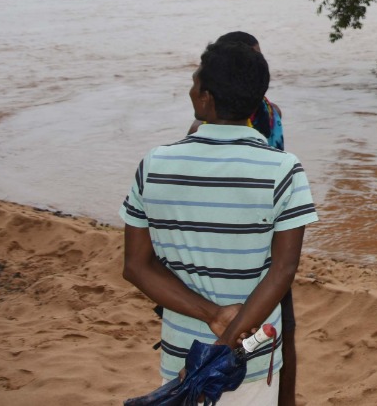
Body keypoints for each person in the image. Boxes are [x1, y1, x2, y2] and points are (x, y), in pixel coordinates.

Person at [122, 40, 317, 406]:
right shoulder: (284, 170)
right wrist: (222, 347)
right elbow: (283, 270)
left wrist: (211, 320)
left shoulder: (154, 164)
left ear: (206, 99)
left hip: (182, 350)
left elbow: (135, 265)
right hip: (251, 355)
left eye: (195, 82)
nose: (190, 89)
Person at [184, 31, 296, 406]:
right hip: (266, 237)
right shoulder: (270, 112)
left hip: (247, 235)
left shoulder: (206, 124)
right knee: (280, 329)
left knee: (277, 330)